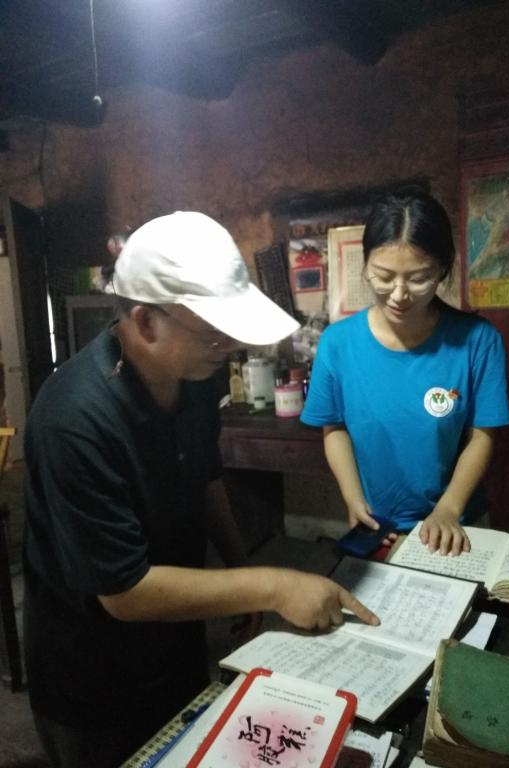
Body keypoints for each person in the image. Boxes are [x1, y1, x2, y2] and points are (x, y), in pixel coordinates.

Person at [22, 211, 379, 768]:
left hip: (176, 647)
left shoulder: (193, 376)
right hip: (92, 680)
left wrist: (239, 563)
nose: (228, 345)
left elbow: (206, 477)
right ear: (145, 322)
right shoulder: (73, 418)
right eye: (213, 330)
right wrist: (272, 586)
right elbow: (125, 592)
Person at [301, 190, 509, 557]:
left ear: (443, 269)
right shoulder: (337, 343)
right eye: (384, 277)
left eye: (418, 279)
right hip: (378, 528)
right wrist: (353, 498)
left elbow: (482, 435)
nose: (399, 295)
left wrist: (448, 509)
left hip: (456, 526)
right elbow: (334, 429)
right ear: (365, 263)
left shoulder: (478, 340)